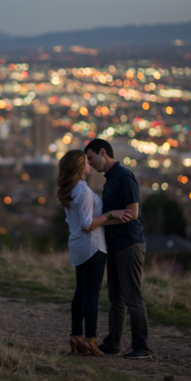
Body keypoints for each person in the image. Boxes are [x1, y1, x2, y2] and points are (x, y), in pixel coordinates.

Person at [57, 150, 132, 356]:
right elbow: (88, 224)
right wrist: (111, 214)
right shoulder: (82, 191)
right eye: (86, 161)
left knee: (81, 291)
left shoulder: (70, 190)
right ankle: (90, 340)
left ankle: (76, 335)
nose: (90, 163)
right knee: (91, 294)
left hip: (78, 247)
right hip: (92, 247)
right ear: (80, 168)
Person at [83, 138, 153, 360]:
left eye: (91, 158)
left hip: (129, 244)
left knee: (133, 296)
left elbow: (133, 213)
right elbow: (117, 213)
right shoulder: (110, 180)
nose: (90, 163)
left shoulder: (124, 176)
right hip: (115, 246)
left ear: (103, 152)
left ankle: (142, 347)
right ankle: (113, 344)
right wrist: (109, 217)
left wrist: (102, 219)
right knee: (117, 297)